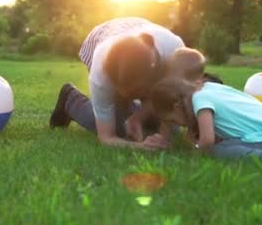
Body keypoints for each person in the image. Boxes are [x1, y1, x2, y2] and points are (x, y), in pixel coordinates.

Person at [49, 17, 185, 150]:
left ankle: (134, 112)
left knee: (172, 128)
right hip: (101, 36)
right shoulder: (101, 72)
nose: (129, 97)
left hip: (138, 30)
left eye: (137, 92)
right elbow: (107, 137)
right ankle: (72, 100)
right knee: (120, 127)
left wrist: (143, 120)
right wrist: (141, 147)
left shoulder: (175, 53)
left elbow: (169, 102)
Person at [149, 77, 262, 161]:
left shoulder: (200, 100)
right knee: (224, 144)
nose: (178, 125)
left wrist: (195, 154)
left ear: (177, 106)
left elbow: (207, 141)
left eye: (174, 121)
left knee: (216, 150)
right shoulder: (208, 87)